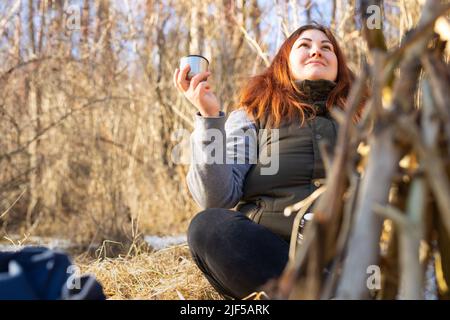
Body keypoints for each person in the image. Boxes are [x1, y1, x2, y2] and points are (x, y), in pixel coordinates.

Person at [173, 23, 361, 300]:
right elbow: (216, 197)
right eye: (304, 45)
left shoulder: (364, 119)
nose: (316, 52)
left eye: (326, 47)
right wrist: (210, 117)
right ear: (284, 63)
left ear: (339, 65)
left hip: (344, 257)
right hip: (270, 259)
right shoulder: (255, 114)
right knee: (208, 226)